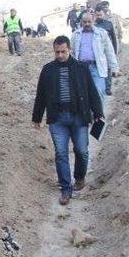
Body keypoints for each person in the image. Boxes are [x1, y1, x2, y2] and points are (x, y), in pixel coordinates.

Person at [32, 36, 104, 205]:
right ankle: (65, 188)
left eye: (63, 51)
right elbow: (40, 95)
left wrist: (98, 112)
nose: (60, 55)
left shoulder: (81, 68)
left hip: (79, 116)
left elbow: (92, 91)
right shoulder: (47, 70)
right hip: (57, 118)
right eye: (57, 52)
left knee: (82, 151)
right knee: (61, 153)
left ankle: (79, 177)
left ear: (69, 49)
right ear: (54, 51)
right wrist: (36, 117)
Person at [70, 12, 118, 104]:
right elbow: (72, 51)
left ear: (93, 21)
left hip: (96, 67)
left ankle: (99, 116)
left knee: (99, 91)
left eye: (89, 22)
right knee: (83, 95)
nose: (87, 24)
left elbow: (109, 51)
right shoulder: (76, 34)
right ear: (81, 22)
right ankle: (88, 116)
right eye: (84, 22)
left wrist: (114, 68)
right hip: (81, 68)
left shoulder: (101, 33)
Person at [94, 6, 118, 96]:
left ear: (103, 14)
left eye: (100, 14)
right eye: (97, 15)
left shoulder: (109, 24)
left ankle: (108, 88)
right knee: (99, 68)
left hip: (107, 51)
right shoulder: (93, 25)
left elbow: (114, 38)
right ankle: (99, 86)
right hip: (98, 52)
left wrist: (114, 51)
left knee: (108, 69)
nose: (99, 16)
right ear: (95, 15)